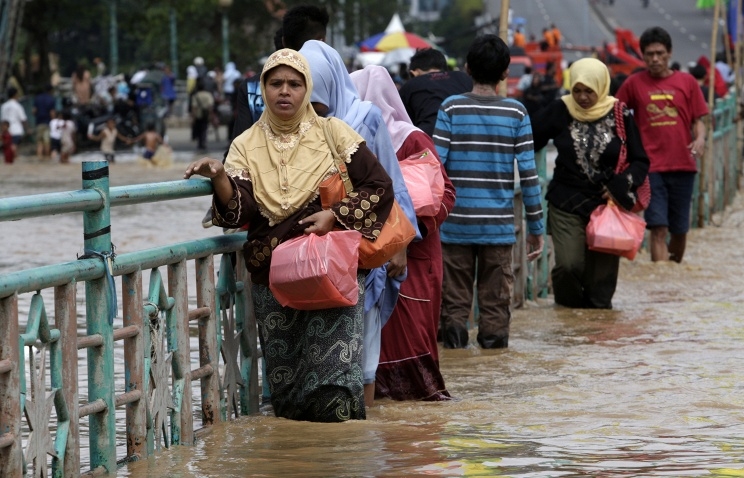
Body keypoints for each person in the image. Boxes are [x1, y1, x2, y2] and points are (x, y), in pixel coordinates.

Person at [185, 48, 396, 422]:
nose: (285, 91)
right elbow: (241, 211)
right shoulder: (245, 145)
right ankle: (297, 458)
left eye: (295, 84)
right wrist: (219, 177)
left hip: (332, 271)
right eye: (276, 83)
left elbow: (379, 186)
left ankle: (337, 457)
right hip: (275, 278)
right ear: (263, 89)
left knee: (332, 380)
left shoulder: (334, 133)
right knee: (288, 386)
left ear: (307, 89)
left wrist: (334, 215)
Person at [299, 40, 420, 407]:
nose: (316, 114)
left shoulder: (364, 118)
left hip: (362, 245)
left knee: (364, 341)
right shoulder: (288, 126)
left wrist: (398, 246)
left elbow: (390, 181)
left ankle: (361, 428)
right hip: (310, 249)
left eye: (319, 105)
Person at [350, 65, 456, 401]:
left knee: (413, 335)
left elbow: (445, 192)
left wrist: (408, 233)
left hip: (413, 256)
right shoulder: (347, 139)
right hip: (369, 255)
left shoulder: (412, 139)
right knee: (370, 340)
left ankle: (415, 426)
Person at [433, 34, 544, 349]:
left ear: (467, 68)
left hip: (455, 224)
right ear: (506, 73)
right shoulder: (517, 114)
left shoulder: (450, 108)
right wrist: (536, 227)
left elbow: (434, 167)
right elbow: (529, 175)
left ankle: (456, 366)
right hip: (497, 226)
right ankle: (494, 374)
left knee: (453, 305)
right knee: (496, 305)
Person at [532, 58, 650, 309]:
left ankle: (593, 335)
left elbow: (640, 160)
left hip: (607, 203)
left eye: (589, 91)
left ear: (601, 86)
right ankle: (569, 320)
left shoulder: (621, 113)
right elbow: (529, 139)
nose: (583, 97)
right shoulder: (560, 109)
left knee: (600, 285)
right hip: (567, 199)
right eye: (577, 90)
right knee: (568, 265)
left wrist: (621, 184)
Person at [616, 26, 708, 263]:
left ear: (669, 53)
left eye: (659, 53)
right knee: (658, 228)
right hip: (650, 168)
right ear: (643, 56)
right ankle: (661, 293)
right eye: (649, 54)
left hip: (684, 166)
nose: (655, 59)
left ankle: (672, 279)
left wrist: (700, 139)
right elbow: (615, 115)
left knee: (680, 230)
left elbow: (699, 121)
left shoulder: (687, 83)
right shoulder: (633, 84)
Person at [398, 48, 473, 137]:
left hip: (429, 141)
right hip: (469, 134)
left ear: (414, 73)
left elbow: (404, 123)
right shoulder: (463, 78)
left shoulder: (409, 86)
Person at [33, 84, 56, 160]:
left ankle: (39, 158)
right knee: (47, 142)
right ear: (51, 91)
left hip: (39, 122)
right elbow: (52, 113)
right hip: (47, 123)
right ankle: (47, 159)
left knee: (39, 142)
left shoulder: (37, 98)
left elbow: (34, 111)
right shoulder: (51, 99)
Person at [191, 80, 214, 152]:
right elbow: (210, 106)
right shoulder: (208, 94)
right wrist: (211, 115)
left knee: (198, 129)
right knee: (204, 129)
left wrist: (193, 117)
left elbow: (194, 107)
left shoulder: (196, 95)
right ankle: (204, 142)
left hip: (198, 115)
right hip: (206, 114)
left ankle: (200, 143)